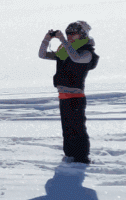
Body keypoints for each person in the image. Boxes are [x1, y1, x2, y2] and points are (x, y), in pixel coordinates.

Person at [38, 21, 98, 164]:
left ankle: (82, 159)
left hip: (76, 98)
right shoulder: (64, 53)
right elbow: (42, 55)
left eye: (73, 33)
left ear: (82, 34)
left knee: (78, 129)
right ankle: (70, 155)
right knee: (67, 130)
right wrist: (47, 38)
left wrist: (63, 40)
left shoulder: (87, 52)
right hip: (63, 97)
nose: (70, 36)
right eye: (68, 33)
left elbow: (75, 58)